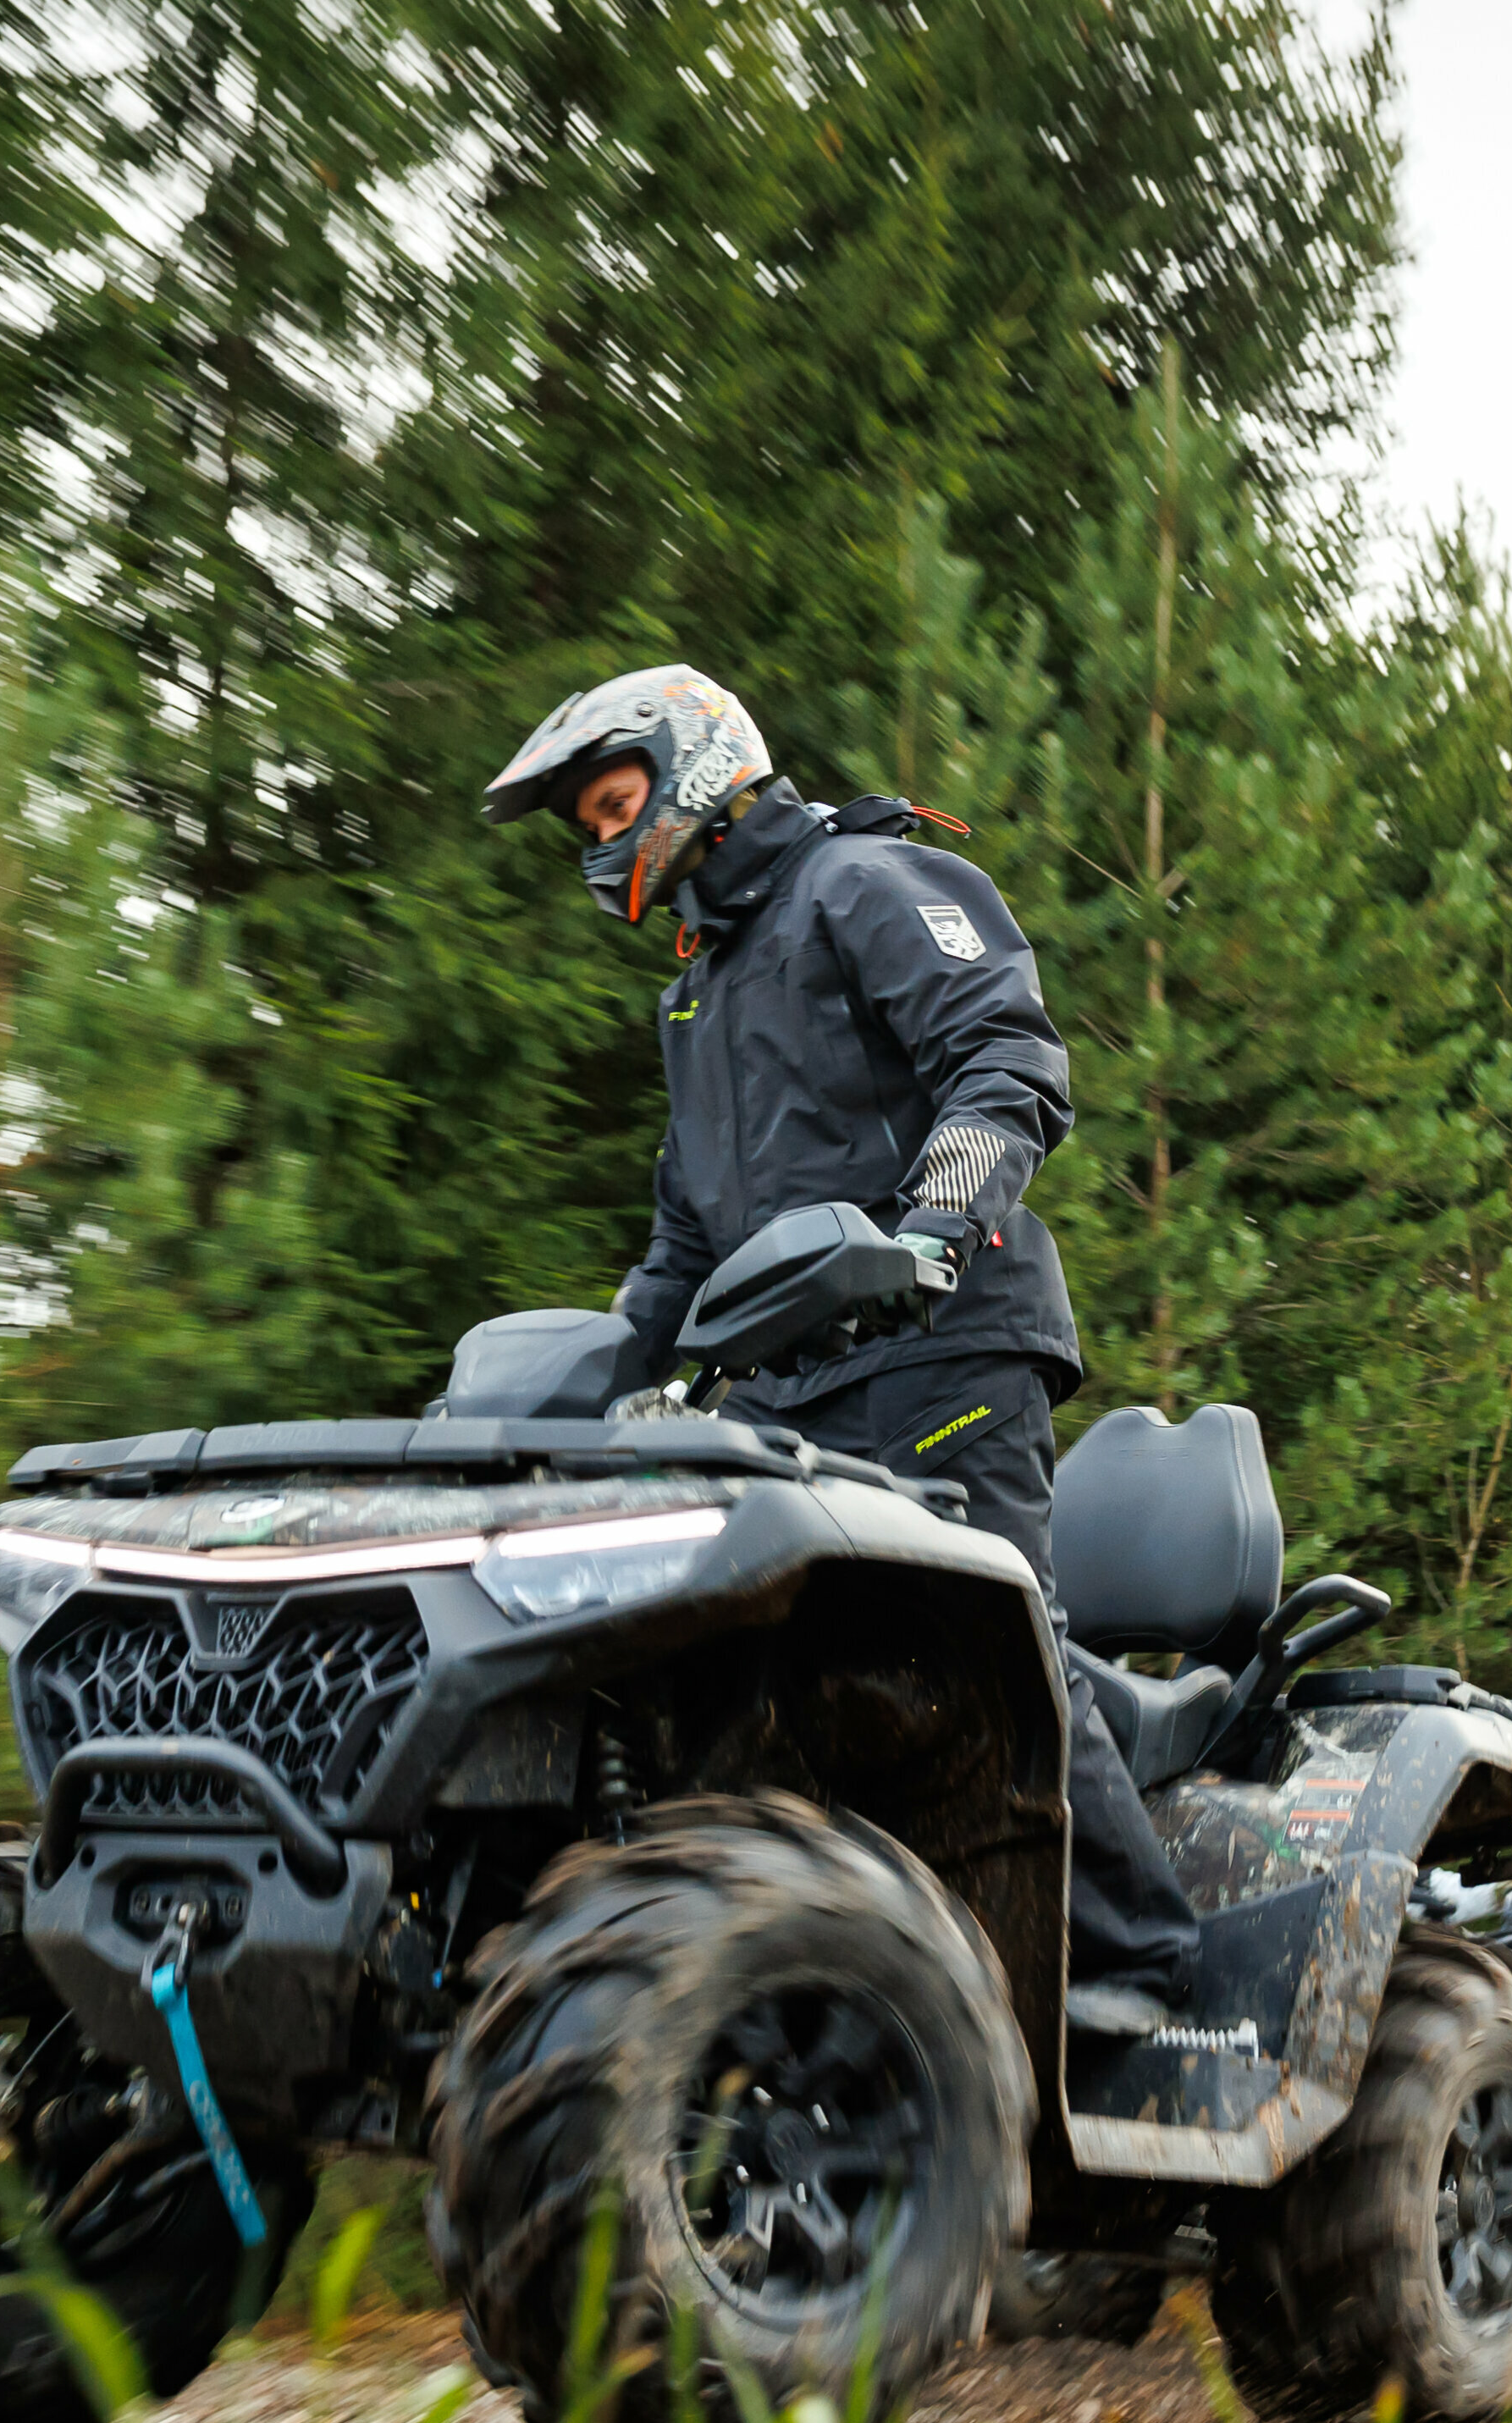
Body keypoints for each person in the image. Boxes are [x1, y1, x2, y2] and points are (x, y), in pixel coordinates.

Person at [485, 665, 1200, 2036]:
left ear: (696, 769)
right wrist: (576, 1388)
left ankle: (1148, 1966)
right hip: (782, 1398)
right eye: (585, 825)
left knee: (998, 1638)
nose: (601, 844)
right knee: (752, 1688)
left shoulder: (865, 883)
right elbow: (683, 1246)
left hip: (943, 1342)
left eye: (614, 806)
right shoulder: (695, 999)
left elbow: (1005, 1057)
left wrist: (937, 1219)